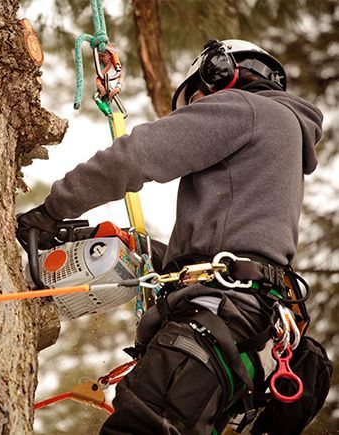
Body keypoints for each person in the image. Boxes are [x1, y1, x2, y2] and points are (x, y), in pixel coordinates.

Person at [17, 39, 327, 434]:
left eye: (197, 100)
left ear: (221, 75)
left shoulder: (245, 107)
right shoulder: (282, 138)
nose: (197, 111)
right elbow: (234, 253)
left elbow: (137, 156)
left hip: (212, 325)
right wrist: (140, 249)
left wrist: (50, 211)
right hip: (246, 334)